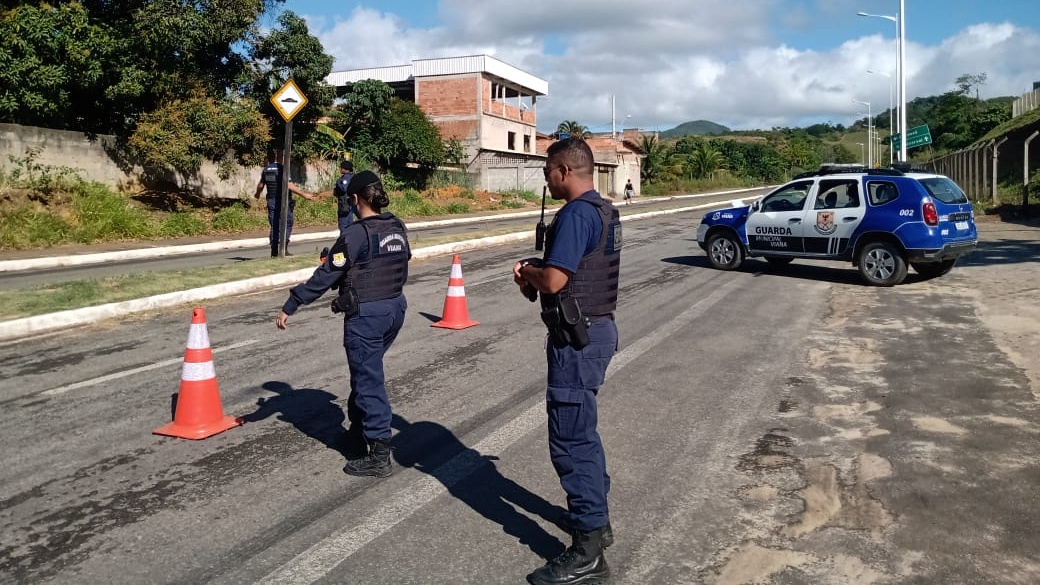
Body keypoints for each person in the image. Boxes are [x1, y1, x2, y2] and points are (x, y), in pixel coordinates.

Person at [512, 137, 621, 585]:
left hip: (578, 338)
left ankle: (589, 551)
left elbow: (556, 279)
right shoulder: (603, 210)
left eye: (547, 174)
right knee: (583, 432)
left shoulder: (576, 214)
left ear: (563, 171)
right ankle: (599, 522)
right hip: (596, 330)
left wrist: (528, 273)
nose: (546, 182)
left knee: (571, 439)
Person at [276, 170, 411, 478]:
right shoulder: (396, 226)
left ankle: (379, 451)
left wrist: (292, 303)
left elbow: (326, 276)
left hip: (368, 316)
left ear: (353, 199)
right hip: (395, 309)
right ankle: (358, 432)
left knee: (367, 380)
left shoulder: (354, 233)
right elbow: (401, 261)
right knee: (365, 371)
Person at [254, 150, 314, 256]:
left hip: (271, 200)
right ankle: (284, 248)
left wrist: (257, 194)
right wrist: (305, 195)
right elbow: (289, 185)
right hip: (283, 201)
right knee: (287, 222)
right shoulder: (282, 169)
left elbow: (260, 185)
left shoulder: (266, 170)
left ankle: (274, 250)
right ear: (280, 157)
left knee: (274, 224)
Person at [314, 160, 359, 236]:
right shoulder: (353, 177)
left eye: (341, 167)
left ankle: (344, 245)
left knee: (344, 228)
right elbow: (337, 191)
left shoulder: (345, 178)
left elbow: (344, 189)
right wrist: (323, 194)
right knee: (349, 227)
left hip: (345, 206)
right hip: (350, 206)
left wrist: (339, 183)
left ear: (345, 169)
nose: (340, 169)